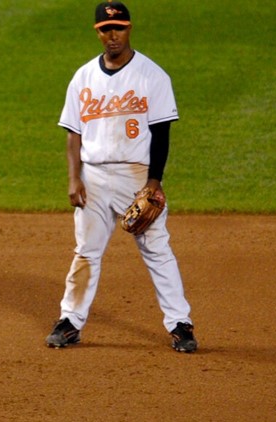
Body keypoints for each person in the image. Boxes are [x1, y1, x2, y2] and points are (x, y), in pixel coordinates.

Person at [45, 1, 198, 353]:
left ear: (129, 29)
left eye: (119, 28)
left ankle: (180, 324)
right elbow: (73, 135)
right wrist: (74, 178)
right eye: (106, 30)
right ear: (97, 32)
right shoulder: (83, 77)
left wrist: (154, 181)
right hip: (94, 178)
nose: (113, 36)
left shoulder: (152, 76)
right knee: (86, 251)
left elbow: (161, 133)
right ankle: (70, 322)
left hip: (136, 177)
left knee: (157, 250)